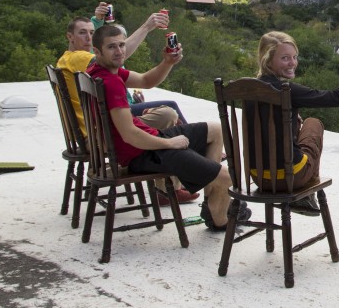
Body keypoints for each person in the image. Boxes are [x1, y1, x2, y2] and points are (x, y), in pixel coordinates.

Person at [87, 23, 244, 231]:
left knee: (215, 130)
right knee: (228, 177)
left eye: (122, 45)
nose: (119, 51)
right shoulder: (110, 82)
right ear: (96, 51)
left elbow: (145, 80)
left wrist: (167, 62)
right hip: (143, 154)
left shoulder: (98, 70)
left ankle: (210, 199)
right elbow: (129, 135)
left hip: (146, 142)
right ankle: (219, 217)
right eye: (112, 47)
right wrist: (169, 143)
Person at [56, 12, 196, 202]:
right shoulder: (79, 58)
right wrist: (146, 27)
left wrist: (167, 62)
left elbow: (144, 80)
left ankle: (173, 172)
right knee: (167, 113)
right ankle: (169, 182)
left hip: (91, 128)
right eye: (82, 33)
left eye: (91, 32)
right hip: (98, 134)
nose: (88, 37)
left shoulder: (67, 60)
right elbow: (117, 57)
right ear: (70, 37)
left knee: (165, 112)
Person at [253, 30, 339, 215]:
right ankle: (305, 196)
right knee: (313, 123)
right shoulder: (287, 90)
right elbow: (338, 98)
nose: (293, 63)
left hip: (258, 176)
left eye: (295, 57)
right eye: (285, 58)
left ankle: (305, 194)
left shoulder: (248, 87)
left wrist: (290, 115)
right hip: (290, 177)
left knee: (299, 123)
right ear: (267, 60)